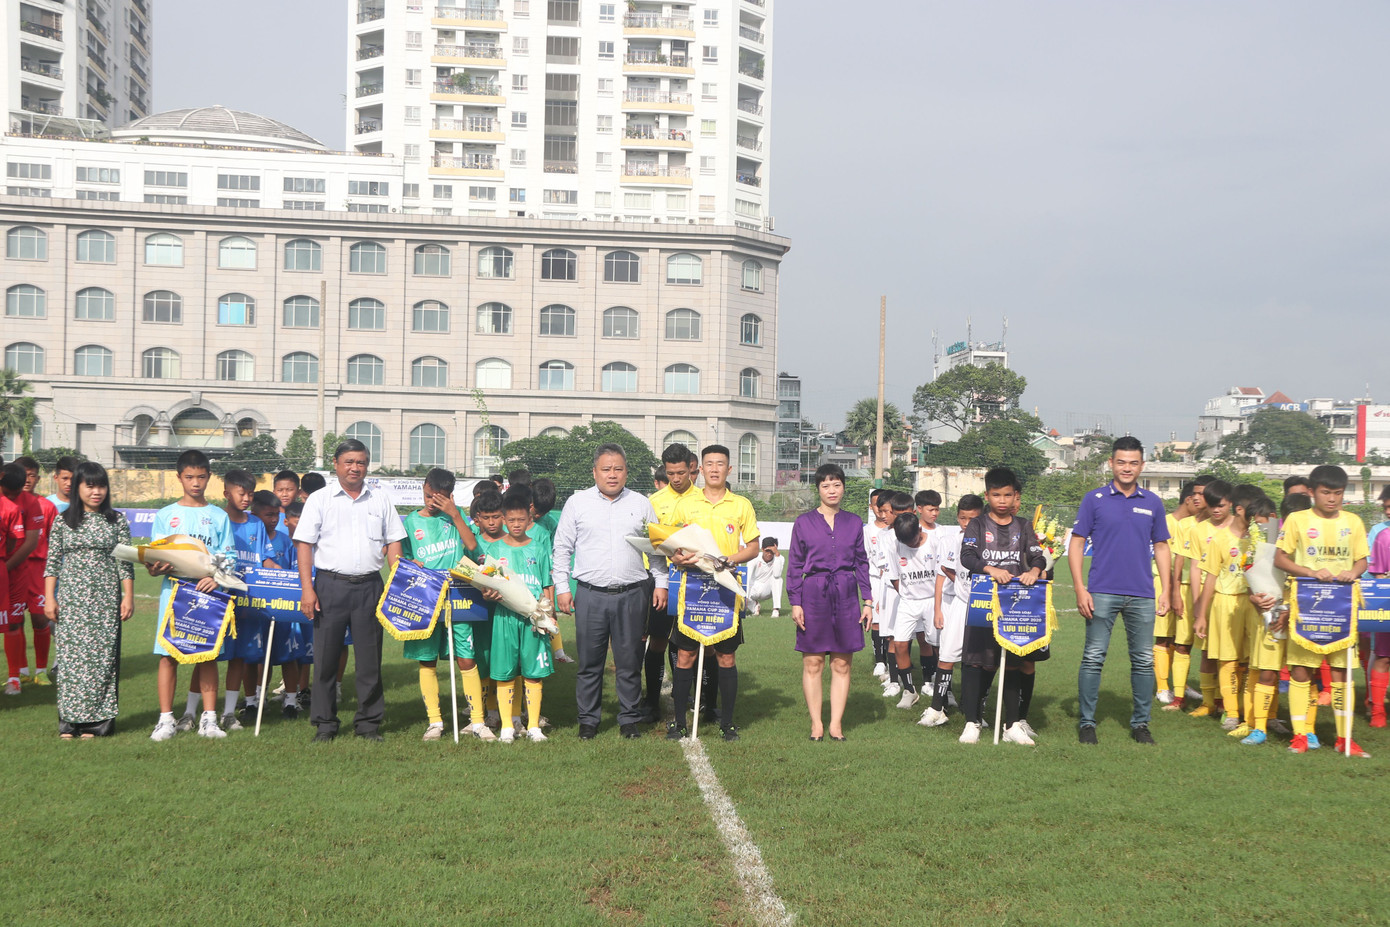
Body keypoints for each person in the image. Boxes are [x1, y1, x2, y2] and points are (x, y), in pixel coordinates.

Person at [294, 439, 406, 743]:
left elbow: (394, 539)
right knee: (326, 660)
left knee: (370, 661)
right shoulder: (319, 499)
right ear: (336, 463)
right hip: (330, 586)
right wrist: (308, 589)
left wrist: (396, 580)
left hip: (371, 586)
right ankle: (325, 724)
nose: (355, 468)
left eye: (361, 462)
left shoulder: (379, 499)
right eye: (349, 462)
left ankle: (369, 724)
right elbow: (304, 544)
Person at [553, 443, 667, 740]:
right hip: (590, 595)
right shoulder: (577, 503)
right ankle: (588, 721)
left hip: (632, 594)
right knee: (590, 663)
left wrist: (662, 582)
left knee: (629, 661)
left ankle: (629, 718)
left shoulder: (641, 503)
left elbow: (656, 549)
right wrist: (563, 588)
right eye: (606, 469)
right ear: (594, 471)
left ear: (626, 471)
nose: (612, 475)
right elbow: (562, 549)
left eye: (618, 469)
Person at [1069, 437, 1170, 746]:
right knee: (1093, 657)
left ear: (1142, 465)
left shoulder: (1152, 502)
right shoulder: (1094, 499)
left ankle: (1141, 724)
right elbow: (1076, 543)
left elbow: (1162, 546)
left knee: (1142, 660)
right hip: (1101, 591)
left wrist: (1166, 589)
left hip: (1142, 593)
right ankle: (1087, 723)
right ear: (1111, 464)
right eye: (1121, 462)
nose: (1127, 468)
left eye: (1134, 463)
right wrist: (1079, 587)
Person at [1273, 464, 1369, 756]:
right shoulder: (1297, 520)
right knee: (1301, 671)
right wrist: (1311, 572)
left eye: (1338, 493)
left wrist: (1353, 572)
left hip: (1340, 606)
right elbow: (1280, 558)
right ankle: (1301, 735)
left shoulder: (1353, 521)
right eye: (1326, 493)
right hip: (1306, 604)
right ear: (1312, 492)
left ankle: (1345, 738)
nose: (1332, 499)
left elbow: (1362, 561)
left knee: (1342, 673)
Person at [666, 445, 759, 742]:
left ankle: (727, 724)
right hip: (692, 586)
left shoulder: (741, 505)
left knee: (726, 657)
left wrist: (731, 559)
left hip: (726, 587)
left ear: (729, 470)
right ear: (700, 469)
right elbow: (671, 545)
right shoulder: (686, 504)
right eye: (710, 464)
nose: (715, 469)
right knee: (685, 655)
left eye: (721, 464)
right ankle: (679, 722)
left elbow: (753, 546)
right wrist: (677, 558)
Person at [148, 450, 235, 741]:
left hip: (207, 592)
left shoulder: (218, 516)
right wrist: (154, 567)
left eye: (201, 477)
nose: (195, 483)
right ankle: (166, 720)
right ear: (179, 477)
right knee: (168, 655)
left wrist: (215, 577)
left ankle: (209, 720)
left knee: (206, 655)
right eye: (189, 477)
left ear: (209, 477)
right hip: (173, 591)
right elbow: (155, 557)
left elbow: (229, 556)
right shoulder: (166, 515)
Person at [42, 462, 134, 738]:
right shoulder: (63, 520)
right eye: (90, 485)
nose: (96, 491)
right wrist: (50, 598)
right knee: (71, 660)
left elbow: (125, 563)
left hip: (106, 600)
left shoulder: (117, 520)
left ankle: (97, 723)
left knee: (102, 659)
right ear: (78, 488)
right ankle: (69, 723)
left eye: (101, 485)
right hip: (71, 600)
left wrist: (128, 596)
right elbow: (52, 563)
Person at [959, 467, 1047, 746]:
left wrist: (1034, 569)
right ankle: (972, 722)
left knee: (1012, 662)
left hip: (1014, 604)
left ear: (1016, 496)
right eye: (996, 495)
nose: (1002, 500)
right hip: (983, 601)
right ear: (987, 495)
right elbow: (967, 556)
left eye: (1008, 495)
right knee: (976, 662)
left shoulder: (1023, 525)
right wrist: (989, 568)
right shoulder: (977, 525)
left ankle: (1011, 725)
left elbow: (1037, 555)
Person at [786, 464, 871, 741]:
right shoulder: (804, 522)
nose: (831, 490)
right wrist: (795, 602)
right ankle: (816, 723)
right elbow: (795, 564)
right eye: (825, 485)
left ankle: (835, 724)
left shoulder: (854, 522)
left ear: (843, 487)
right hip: (813, 594)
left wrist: (867, 600)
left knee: (842, 663)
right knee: (813, 662)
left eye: (836, 484)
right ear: (818, 489)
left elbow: (861, 563)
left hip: (846, 594)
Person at [399, 469, 484, 741]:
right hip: (425, 599)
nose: (431, 503)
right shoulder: (411, 522)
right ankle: (435, 721)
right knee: (427, 659)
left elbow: (473, 547)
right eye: (427, 496)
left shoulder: (455, 516)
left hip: (459, 598)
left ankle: (478, 721)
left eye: (439, 499)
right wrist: (410, 563)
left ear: (450, 496)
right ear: (423, 488)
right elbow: (401, 557)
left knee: (466, 658)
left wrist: (456, 514)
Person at [483, 488, 555, 743]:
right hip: (505, 618)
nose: (516, 524)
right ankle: (506, 727)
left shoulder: (538, 547)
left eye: (521, 520)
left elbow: (547, 582)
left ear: (529, 519)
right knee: (505, 672)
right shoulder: (495, 550)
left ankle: (534, 726)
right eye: (511, 520)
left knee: (533, 672)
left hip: (534, 619)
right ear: (503, 519)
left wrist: (550, 613)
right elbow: (487, 586)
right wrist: (487, 594)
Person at [1193, 488, 1261, 736]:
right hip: (1225, 602)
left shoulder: (1259, 538)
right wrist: (1201, 614)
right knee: (1228, 659)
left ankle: (1251, 712)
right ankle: (1231, 713)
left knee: (1251, 661)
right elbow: (1210, 578)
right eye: (1255, 508)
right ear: (1241, 509)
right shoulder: (1220, 539)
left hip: (1253, 604)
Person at [643, 443, 699, 721]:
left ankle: (686, 695)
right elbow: (649, 543)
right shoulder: (654, 501)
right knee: (658, 641)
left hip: (694, 581)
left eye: (681, 472)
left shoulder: (702, 499)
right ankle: (651, 700)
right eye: (671, 473)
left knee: (689, 642)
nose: (676, 478)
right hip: (662, 583)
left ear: (691, 468)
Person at [921, 494, 984, 728]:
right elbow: (943, 571)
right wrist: (938, 609)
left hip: (984, 604)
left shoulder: (989, 540)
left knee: (980, 661)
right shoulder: (951, 540)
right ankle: (937, 709)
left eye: (973, 519)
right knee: (946, 656)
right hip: (958, 603)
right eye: (963, 518)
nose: (967, 524)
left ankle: (977, 712)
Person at [1165, 474, 1214, 711]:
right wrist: (1175, 592)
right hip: (1186, 589)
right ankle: (1178, 697)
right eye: (1194, 493)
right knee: (1182, 644)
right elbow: (1179, 562)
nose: (1196, 497)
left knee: (1212, 650)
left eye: (1201, 493)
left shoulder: (1226, 524)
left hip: (1218, 593)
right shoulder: (1186, 525)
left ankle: (1213, 701)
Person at [884, 511, 940, 711]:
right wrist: (907, 595)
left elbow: (942, 575)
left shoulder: (935, 543)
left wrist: (938, 603)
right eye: (904, 542)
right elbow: (894, 575)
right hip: (908, 602)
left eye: (913, 540)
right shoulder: (895, 545)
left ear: (920, 529)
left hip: (932, 601)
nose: (909, 545)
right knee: (900, 644)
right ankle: (909, 690)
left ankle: (944, 688)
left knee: (937, 645)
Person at [11, 457, 57, 688]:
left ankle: (41, 670)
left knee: (40, 619)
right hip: (15, 570)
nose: (27, 479)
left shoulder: (47, 506)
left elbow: (56, 540)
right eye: (23, 474)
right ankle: (21, 671)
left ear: (38, 478)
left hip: (39, 569)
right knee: (15, 620)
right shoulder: (7, 502)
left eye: (32, 475)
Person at [1154, 482, 1199, 707]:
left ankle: (1180, 684)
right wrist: (1169, 590)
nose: (1203, 501)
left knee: (1182, 639)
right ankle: (1162, 687)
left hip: (1187, 585)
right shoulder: (1167, 522)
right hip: (1163, 583)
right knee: (1163, 635)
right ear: (1188, 499)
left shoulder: (1198, 525)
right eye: (1199, 495)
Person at [746, 537, 785, 617]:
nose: (769, 554)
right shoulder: (754, 558)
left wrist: (777, 555)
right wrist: (745, 597)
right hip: (754, 587)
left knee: (778, 579)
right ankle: (754, 606)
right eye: (767, 551)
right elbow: (747, 576)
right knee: (739, 586)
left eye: (772, 552)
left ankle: (775, 610)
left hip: (768, 589)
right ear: (762, 549)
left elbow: (777, 574)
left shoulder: (780, 558)